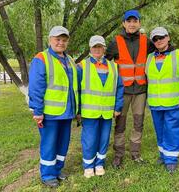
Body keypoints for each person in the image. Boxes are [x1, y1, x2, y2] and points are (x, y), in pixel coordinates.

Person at [28, 26, 79, 187]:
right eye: (57, 39)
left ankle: (57, 170)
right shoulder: (41, 58)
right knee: (49, 144)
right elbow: (36, 87)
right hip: (49, 113)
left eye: (64, 40)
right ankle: (48, 174)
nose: (61, 43)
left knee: (63, 143)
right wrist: (37, 111)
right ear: (50, 40)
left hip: (67, 112)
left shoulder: (70, 60)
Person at [106, 10, 155, 168]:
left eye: (135, 21)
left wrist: (175, 50)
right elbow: (104, 63)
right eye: (129, 21)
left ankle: (135, 153)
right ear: (124, 24)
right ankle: (119, 155)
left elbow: (162, 49)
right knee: (120, 123)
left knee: (138, 123)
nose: (132, 24)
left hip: (140, 90)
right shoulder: (116, 42)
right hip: (122, 92)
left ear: (139, 23)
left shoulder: (146, 41)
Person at [146, 27, 179, 173]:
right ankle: (163, 154)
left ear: (168, 37)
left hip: (174, 103)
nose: (158, 40)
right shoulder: (149, 58)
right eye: (155, 39)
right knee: (159, 131)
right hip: (155, 104)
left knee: (172, 131)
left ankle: (171, 159)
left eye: (161, 37)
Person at [77, 35, 124, 178]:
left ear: (104, 48)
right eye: (94, 46)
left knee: (104, 138)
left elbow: (119, 88)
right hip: (89, 112)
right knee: (90, 139)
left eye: (100, 47)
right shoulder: (82, 66)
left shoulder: (114, 67)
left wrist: (117, 107)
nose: (97, 49)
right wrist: (78, 111)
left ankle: (99, 164)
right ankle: (88, 166)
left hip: (107, 111)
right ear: (90, 48)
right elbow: (76, 90)